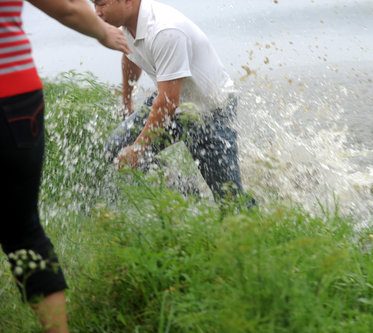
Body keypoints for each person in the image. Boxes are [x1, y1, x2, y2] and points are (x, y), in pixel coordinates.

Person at [0, 0, 130, 332]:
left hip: (14, 97)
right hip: (16, 97)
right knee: (23, 231)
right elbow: (68, 7)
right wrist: (102, 32)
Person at [94, 0, 255, 207]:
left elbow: (168, 102)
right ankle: (184, 190)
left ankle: (255, 229)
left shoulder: (165, 30)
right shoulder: (126, 26)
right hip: (170, 97)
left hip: (211, 112)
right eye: (93, 4)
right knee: (116, 149)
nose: (96, 13)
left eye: (101, 4)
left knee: (230, 201)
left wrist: (139, 148)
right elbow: (130, 54)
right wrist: (127, 101)